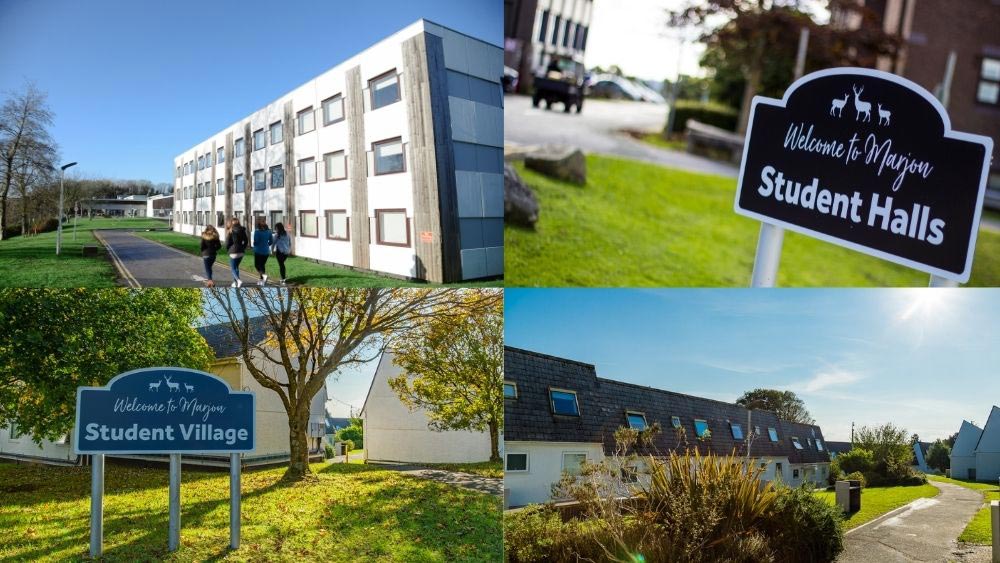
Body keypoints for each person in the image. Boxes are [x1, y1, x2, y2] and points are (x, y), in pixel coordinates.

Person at [225, 217, 249, 287]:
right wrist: (243, 247)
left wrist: (228, 250)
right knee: (236, 267)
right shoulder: (242, 230)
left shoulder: (231, 231)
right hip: (241, 252)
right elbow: (246, 241)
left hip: (233, 252)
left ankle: (238, 280)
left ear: (231, 223)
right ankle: (235, 283)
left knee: (233, 268)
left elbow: (227, 243)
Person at [252, 218, 273, 285]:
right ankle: (262, 281)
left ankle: (263, 276)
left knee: (257, 265)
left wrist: (254, 244)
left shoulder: (257, 232)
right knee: (262, 265)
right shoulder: (269, 231)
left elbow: (256, 242)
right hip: (266, 251)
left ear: (258, 225)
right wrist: (266, 245)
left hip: (258, 251)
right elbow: (271, 241)